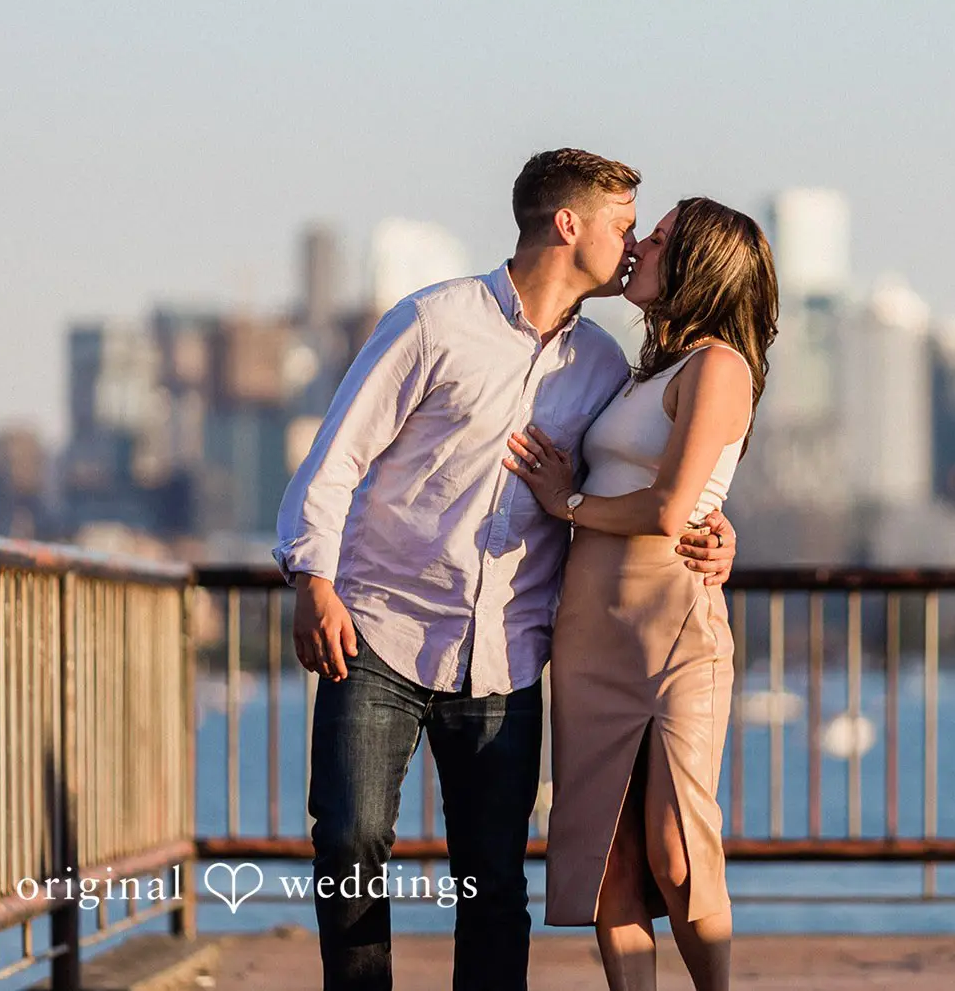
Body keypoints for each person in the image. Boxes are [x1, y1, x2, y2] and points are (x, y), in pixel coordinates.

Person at [272, 150, 740, 991]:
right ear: (569, 225)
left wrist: (715, 525)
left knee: (492, 882)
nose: (634, 244)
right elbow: (334, 458)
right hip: (380, 631)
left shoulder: (603, 368)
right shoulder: (431, 322)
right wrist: (312, 577)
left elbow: (641, 477)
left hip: (507, 656)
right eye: (624, 225)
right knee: (348, 840)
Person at [505, 196, 778, 991]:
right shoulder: (642, 374)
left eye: (655, 239)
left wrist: (571, 505)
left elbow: (669, 510)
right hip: (590, 637)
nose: (637, 248)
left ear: (696, 264)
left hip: (673, 631)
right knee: (608, 859)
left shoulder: (719, 366)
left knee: (677, 845)